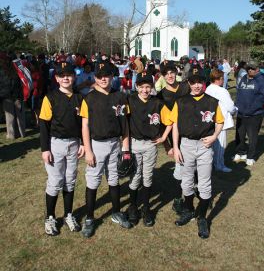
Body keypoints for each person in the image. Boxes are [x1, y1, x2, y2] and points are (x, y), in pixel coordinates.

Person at [170, 69, 224, 239]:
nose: (196, 85)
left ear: (204, 83)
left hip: (204, 146)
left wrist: (214, 136)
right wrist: (176, 148)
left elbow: (220, 122)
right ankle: (188, 210)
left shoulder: (212, 101)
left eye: (200, 82)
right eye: (193, 82)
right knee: (186, 181)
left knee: (204, 183)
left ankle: (202, 217)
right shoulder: (181, 101)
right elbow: (175, 126)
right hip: (185, 144)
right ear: (189, 84)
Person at [80, 62, 132, 238]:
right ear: (95, 78)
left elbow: (125, 125)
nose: (104, 78)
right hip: (97, 144)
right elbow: (85, 126)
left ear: (112, 77)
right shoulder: (89, 98)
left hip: (115, 143)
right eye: (100, 75)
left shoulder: (120, 96)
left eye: (107, 75)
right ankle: (89, 218)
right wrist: (88, 150)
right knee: (93, 180)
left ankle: (116, 212)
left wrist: (126, 149)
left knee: (114, 178)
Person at [39, 63, 85, 236]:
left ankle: (68, 214)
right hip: (55, 143)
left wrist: (82, 143)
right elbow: (43, 124)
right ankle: (50, 217)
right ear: (57, 78)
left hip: (74, 143)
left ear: (74, 77)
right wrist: (45, 149)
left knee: (70, 179)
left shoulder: (79, 98)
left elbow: (82, 123)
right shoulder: (50, 97)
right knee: (55, 180)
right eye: (62, 75)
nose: (66, 78)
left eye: (69, 74)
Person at [126, 71, 171, 227]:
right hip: (134, 143)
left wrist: (164, 137)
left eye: (148, 87)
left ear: (152, 87)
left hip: (151, 144)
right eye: (142, 87)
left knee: (147, 176)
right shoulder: (130, 100)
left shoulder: (157, 103)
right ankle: (132, 206)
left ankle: (146, 208)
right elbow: (122, 120)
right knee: (135, 176)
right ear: (136, 87)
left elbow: (170, 120)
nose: (145, 90)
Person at [156, 62, 190, 214]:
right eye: (166, 73)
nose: (169, 76)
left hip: (191, 132)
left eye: (171, 72)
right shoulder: (161, 95)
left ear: (176, 72)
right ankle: (178, 199)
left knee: (194, 166)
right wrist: (167, 146)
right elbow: (162, 124)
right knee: (180, 166)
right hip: (174, 134)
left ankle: (196, 193)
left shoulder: (185, 87)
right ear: (162, 76)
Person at [233, 61, 264, 166]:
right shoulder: (244, 78)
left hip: (255, 114)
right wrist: (237, 105)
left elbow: (263, 98)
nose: (250, 70)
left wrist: (252, 109)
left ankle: (251, 156)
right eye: (248, 68)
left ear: (257, 69)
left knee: (252, 136)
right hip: (241, 113)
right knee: (240, 134)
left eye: (252, 68)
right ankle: (240, 152)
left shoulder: (262, 80)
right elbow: (239, 93)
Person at [205, 69, 236, 172]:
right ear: (219, 79)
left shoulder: (208, 89)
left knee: (211, 145)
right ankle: (219, 165)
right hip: (221, 121)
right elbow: (230, 106)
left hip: (210, 120)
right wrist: (235, 111)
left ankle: (211, 164)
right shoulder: (222, 91)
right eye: (223, 78)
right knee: (220, 146)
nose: (224, 80)